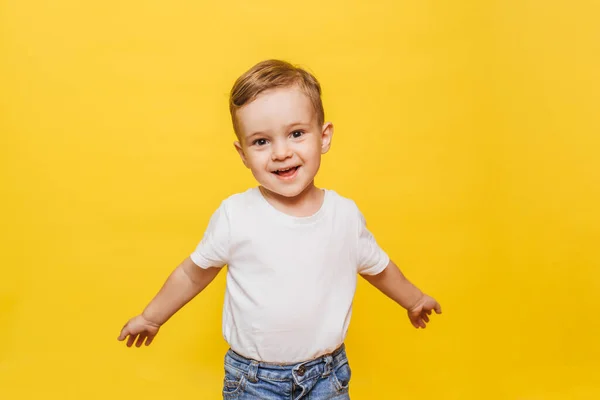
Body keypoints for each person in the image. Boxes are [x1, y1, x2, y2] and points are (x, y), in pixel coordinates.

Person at [118, 59, 442, 399]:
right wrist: (152, 317)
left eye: (297, 134)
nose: (281, 153)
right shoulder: (236, 215)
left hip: (326, 376)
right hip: (255, 381)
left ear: (324, 137)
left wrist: (414, 299)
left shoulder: (344, 216)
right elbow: (192, 273)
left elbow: (379, 267)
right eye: (261, 142)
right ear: (243, 154)